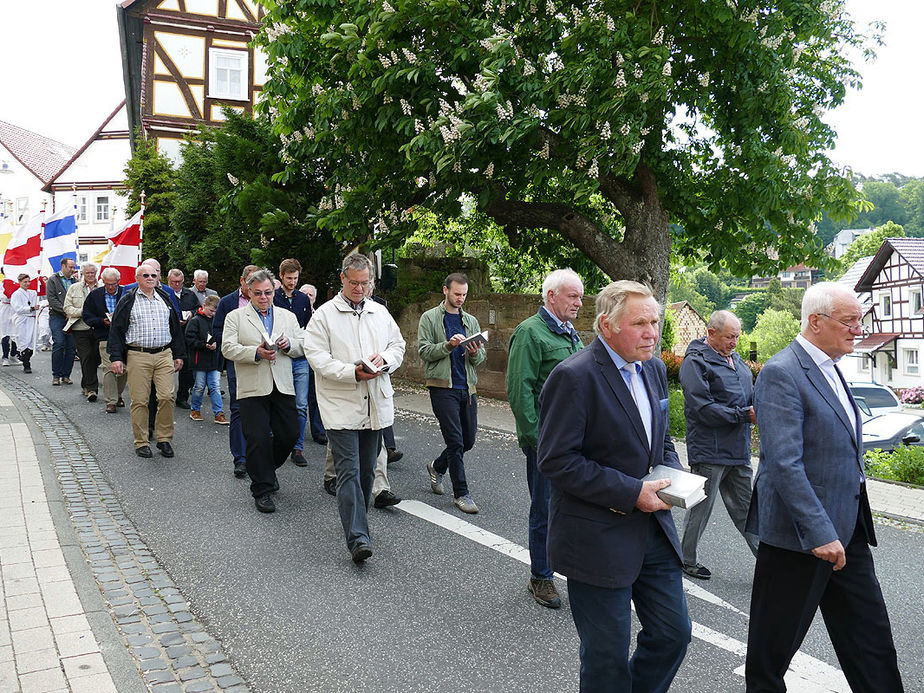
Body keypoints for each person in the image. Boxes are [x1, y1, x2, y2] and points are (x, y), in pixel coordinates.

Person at [745, 282, 903, 692]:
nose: (858, 329)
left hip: (847, 532)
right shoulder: (782, 372)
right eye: (849, 320)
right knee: (771, 656)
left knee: (872, 645)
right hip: (799, 539)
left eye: (860, 320)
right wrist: (819, 532)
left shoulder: (832, 367)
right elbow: (783, 463)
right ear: (815, 321)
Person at [538, 280, 691, 693]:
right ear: (606, 325)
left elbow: (660, 441)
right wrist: (630, 493)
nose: (652, 332)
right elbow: (556, 460)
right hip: (597, 536)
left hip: (654, 531)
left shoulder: (654, 369)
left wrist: (674, 477)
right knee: (606, 656)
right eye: (640, 323)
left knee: (674, 634)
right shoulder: (574, 377)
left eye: (655, 322)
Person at [304, 254, 405, 563]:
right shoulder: (323, 316)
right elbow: (316, 356)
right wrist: (352, 371)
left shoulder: (380, 313)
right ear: (342, 279)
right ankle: (358, 538)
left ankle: (358, 524)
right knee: (348, 471)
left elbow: (397, 346)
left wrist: (384, 362)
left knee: (366, 473)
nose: (360, 288)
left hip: (375, 403)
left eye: (365, 283)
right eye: (354, 283)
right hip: (341, 405)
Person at [507, 268, 584, 610]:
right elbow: (519, 390)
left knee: (573, 507)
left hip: (576, 441)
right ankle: (541, 575)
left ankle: (571, 567)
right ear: (551, 296)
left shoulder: (571, 334)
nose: (579, 303)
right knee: (545, 509)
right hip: (546, 441)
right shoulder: (530, 333)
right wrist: (535, 439)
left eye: (581, 297)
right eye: (573, 296)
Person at [678, 310, 759, 580]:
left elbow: (748, 393)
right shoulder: (695, 362)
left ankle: (769, 561)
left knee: (748, 509)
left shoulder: (735, 359)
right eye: (729, 337)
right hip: (710, 450)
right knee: (701, 508)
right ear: (711, 333)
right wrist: (742, 415)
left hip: (738, 448)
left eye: (737, 336)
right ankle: (686, 560)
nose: (734, 342)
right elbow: (702, 408)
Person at [222, 269, 304, 513]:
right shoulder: (235, 317)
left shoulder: (288, 317)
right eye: (257, 293)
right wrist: (254, 352)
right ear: (248, 292)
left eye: (268, 292)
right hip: (252, 386)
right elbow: (227, 348)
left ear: (274, 290)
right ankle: (262, 489)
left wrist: (289, 344)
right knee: (257, 437)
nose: (263, 297)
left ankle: (266, 470)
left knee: (289, 434)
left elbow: (303, 344)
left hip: (282, 383)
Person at [417, 273, 486, 514]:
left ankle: (437, 466)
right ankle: (462, 493)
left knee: (468, 441)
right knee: (455, 441)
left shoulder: (471, 321)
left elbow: (481, 358)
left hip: (467, 388)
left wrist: (475, 351)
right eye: (457, 294)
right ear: (445, 290)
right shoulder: (430, 317)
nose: (461, 298)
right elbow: (424, 351)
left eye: (464, 294)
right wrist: (449, 345)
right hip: (441, 387)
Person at [108, 264, 185, 459]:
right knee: (140, 400)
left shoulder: (166, 298)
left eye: (153, 275)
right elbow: (116, 330)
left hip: (163, 354)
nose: (150, 278)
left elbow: (175, 329)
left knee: (167, 396)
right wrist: (116, 357)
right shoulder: (128, 300)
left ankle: (164, 438)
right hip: (137, 355)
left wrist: (178, 354)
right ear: (137, 278)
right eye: (145, 275)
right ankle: (141, 441)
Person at [213, 264, 260, 478]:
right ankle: (240, 458)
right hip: (237, 362)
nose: (253, 286)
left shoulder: (267, 300)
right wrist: (237, 344)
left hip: (264, 362)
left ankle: (260, 456)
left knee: (263, 409)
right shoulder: (227, 302)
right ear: (242, 281)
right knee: (239, 408)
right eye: (250, 281)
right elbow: (217, 330)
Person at [273, 258, 313, 467]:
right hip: (280, 356)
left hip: (300, 357)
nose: (292, 282)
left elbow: (307, 330)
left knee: (301, 404)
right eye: (289, 278)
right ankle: (276, 440)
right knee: (279, 400)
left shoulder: (303, 300)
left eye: (295, 278)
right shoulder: (272, 298)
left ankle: (297, 447)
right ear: (281, 276)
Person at [82, 268, 126, 413]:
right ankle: (111, 401)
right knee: (109, 368)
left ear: (118, 282)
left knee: (124, 369)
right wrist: (102, 321)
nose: (111, 287)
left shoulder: (126, 294)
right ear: (103, 282)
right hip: (104, 336)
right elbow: (87, 316)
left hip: (124, 337)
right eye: (108, 284)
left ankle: (118, 394)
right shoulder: (95, 295)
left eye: (114, 284)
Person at [186, 295, 228, 425]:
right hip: (199, 360)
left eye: (215, 311)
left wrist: (217, 344)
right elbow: (189, 339)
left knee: (215, 386)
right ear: (204, 306)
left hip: (214, 360)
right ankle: (195, 409)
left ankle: (219, 412)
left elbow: (224, 337)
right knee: (199, 386)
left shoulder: (219, 321)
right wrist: (204, 345)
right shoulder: (195, 321)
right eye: (210, 310)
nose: (212, 314)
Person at [64, 262, 102, 402]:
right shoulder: (74, 288)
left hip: (99, 328)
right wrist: (85, 313)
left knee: (96, 357)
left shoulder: (103, 288)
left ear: (96, 273)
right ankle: (92, 389)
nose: (90, 275)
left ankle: (85, 382)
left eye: (92, 273)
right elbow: (67, 308)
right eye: (88, 273)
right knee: (86, 356)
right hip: (80, 327)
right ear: (83, 274)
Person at [165, 269, 200, 409]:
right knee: (166, 366)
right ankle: (164, 395)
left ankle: (182, 397)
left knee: (186, 368)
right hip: (168, 335)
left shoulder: (190, 294)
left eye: (179, 282)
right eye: (174, 282)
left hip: (186, 335)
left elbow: (199, 308)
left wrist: (191, 313)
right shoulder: (164, 293)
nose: (177, 284)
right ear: (168, 281)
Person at [46, 257, 77, 385]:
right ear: (63, 267)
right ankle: (56, 375)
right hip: (57, 316)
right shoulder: (53, 280)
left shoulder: (75, 281)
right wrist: (66, 311)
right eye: (70, 267)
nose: (72, 269)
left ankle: (66, 375)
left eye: (73, 267)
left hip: (72, 317)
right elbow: (52, 299)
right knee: (59, 343)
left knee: (71, 346)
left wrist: (73, 312)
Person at [10, 274, 37, 374]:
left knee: (31, 342)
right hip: (22, 320)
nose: (27, 284)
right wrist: (31, 308)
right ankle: (26, 364)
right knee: (23, 341)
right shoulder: (16, 294)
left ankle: (25, 357)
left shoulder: (32, 293)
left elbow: (36, 304)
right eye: (25, 282)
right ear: (20, 282)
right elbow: (17, 309)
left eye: (28, 281)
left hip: (31, 319)